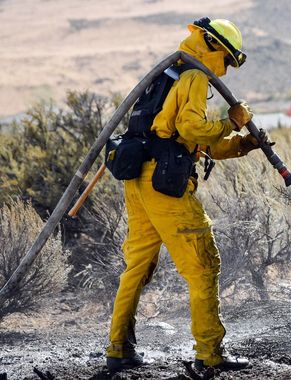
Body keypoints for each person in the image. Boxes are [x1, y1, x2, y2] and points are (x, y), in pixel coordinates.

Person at [106, 17, 265, 373]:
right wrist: (232, 122)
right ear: (212, 47)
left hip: (140, 181)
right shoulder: (193, 76)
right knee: (203, 265)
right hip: (164, 186)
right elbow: (193, 128)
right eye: (226, 60)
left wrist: (243, 144)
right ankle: (209, 354)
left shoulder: (167, 75)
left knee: (138, 267)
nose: (225, 69)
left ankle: (119, 348)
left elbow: (187, 141)